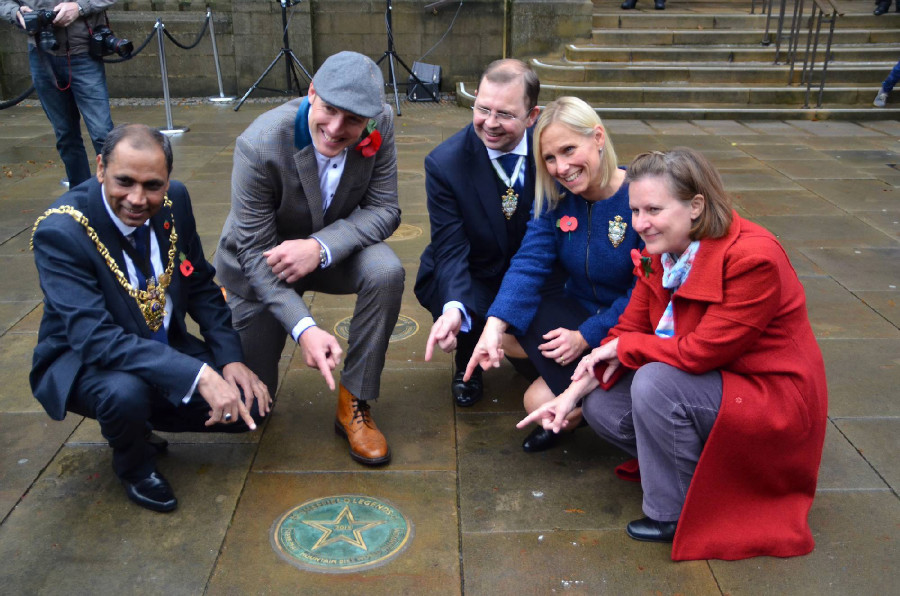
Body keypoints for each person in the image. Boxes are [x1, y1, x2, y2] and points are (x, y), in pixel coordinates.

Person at [518, 147, 828, 561]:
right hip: (719, 383)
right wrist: (569, 397)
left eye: (653, 210)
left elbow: (701, 352)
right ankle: (703, 472)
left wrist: (622, 347)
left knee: (655, 383)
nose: (639, 224)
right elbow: (628, 327)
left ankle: (674, 512)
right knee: (601, 403)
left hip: (771, 397)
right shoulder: (661, 252)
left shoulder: (755, 259)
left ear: (696, 206)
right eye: (634, 210)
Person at [30, 123, 271, 513]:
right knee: (125, 395)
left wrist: (230, 360)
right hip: (84, 360)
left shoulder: (175, 201)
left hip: (160, 343)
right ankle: (134, 464)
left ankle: (142, 415)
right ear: (100, 168)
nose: (137, 199)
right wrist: (199, 375)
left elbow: (202, 287)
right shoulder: (61, 232)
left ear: (168, 180)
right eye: (124, 181)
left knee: (252, 406)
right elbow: (95, 339)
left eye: (152, 185)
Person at [214, 51, 403, 467]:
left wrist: (318, 247)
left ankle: (355, 399)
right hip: (259, 263)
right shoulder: (259, 144)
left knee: (387, 271)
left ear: (371, 118)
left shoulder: (381, 122)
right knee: (251, 408)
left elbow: (386, 209)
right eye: (329, 110)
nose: (336, 129)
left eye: (353, 120)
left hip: (328, 252)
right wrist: (305, 328)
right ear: (311, 92)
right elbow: (251, 251)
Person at [465, 96, 641, 452]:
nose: (560, 167)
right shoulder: (557, 197)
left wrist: (585, 336)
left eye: (568, 149)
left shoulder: (640, 196)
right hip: (574, 309)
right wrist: (492, 328)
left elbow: (645, 293)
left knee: (535, 402)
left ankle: (587, 395)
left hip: (627, 325)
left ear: (598, 137)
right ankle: (575, 388)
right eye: (549, 158)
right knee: (505, 335)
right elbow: (529, 262)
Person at [415, 59, 548, 408]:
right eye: (482, 108)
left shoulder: (551, 150)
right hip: (476, 271)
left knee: (543, 373)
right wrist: (454, 308)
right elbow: (450, 248)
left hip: (538, 273)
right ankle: (467, 362)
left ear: (532, 116)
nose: (489, 123)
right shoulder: (445, 164)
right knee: (459, 301)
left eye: (504, 114)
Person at [1, 1, 117, 187]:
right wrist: (15, 13)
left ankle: (117, 198)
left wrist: (79, 7)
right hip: (40, 53)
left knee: (102, 133)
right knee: (65, 136)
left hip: (83, 51)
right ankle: (80, 197)